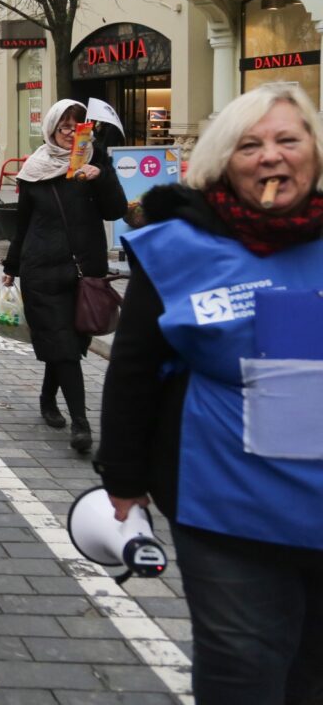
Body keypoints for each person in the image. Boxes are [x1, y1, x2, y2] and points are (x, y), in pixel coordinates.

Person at [98, 82, 323, 704]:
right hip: (229, 507)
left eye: (287, 140)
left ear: (315, 151)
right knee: (244, 672)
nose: (271, 156)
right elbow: (135, 368)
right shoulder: (181, 245)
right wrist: (124, 477)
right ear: (224, 160)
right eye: (250, 144)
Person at [1, 99, 126, 452]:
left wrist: (101, 177)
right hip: (41, 271)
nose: (72, 134)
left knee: (72, 345)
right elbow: (22, 225)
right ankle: (81, 424)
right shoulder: (34, 170)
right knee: (65, 349)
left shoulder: (94, 162)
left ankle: (46, 395)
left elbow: (115, 210)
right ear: (52, 130)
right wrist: (11, 268)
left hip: (86, 273)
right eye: (65, 128)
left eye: (78, 127)